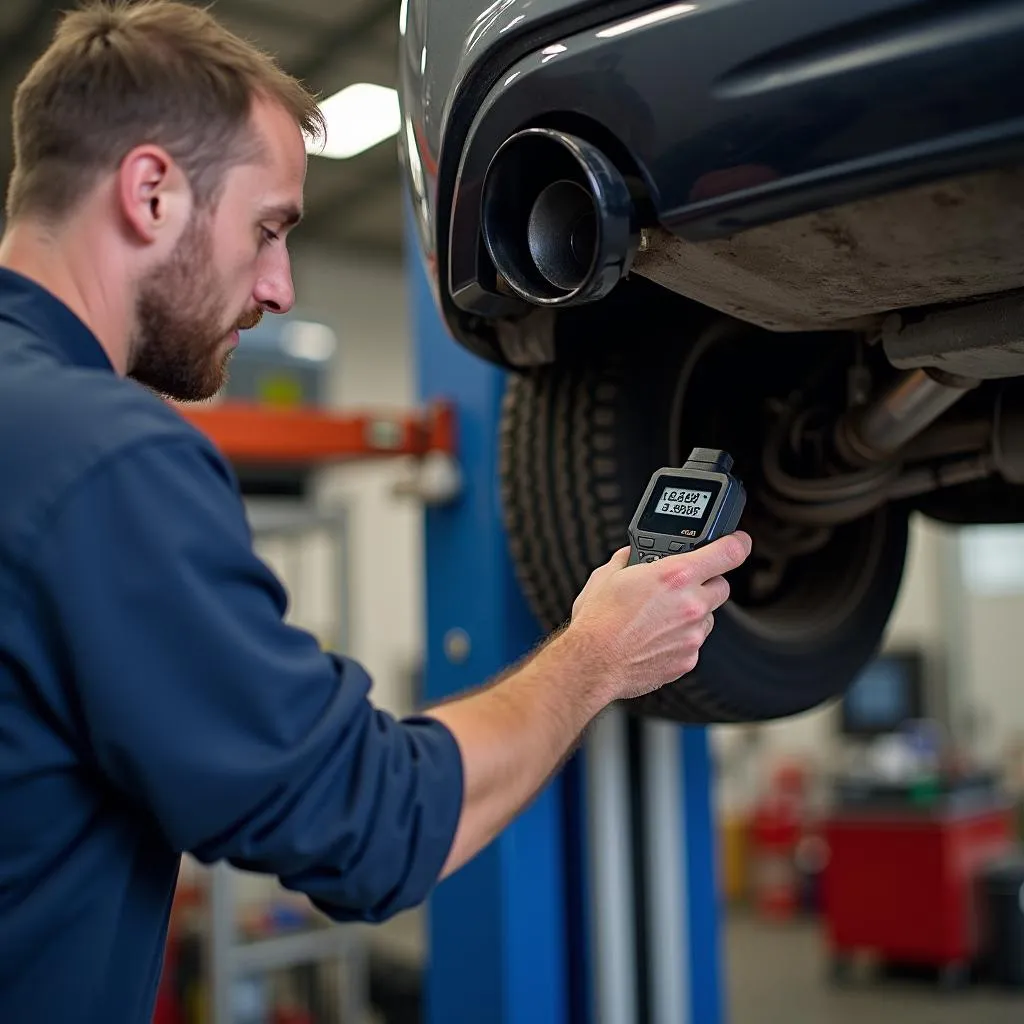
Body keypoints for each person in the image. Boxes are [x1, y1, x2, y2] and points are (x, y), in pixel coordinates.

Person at [0, 1, 752, 1020]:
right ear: (150, 192)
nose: (278, 286)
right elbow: (373, 826)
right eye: (268, 228)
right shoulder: (105, 459)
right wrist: (595, 655)